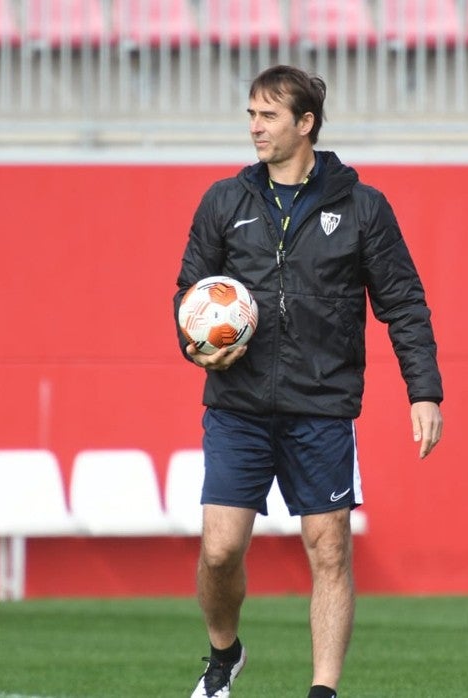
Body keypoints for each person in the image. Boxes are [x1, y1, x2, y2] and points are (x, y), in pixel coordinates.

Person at [173, 64, 444, 698]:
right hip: (237, 406)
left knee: (329, 549)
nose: (255, 127)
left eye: (268, 115)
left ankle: (323, 690)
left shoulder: (362, 207)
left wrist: (424, 390)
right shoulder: (223, 201)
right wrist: (195, 348)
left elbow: (403, 302)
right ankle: (224, 653)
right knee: (220, 551)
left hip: (321, 407)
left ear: (305, 123)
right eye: (251, 114)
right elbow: (189, 293)